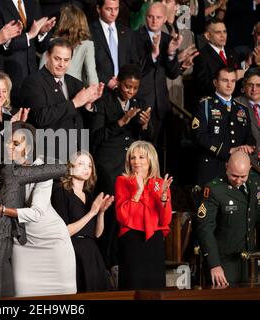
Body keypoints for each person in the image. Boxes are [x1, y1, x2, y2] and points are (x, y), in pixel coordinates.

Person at [0, 121, 76, 297]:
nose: (9, 147)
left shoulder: (42, 169)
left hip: (52, 241)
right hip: (22, 243)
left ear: (29, 147)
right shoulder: (1, 167)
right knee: (24, 296)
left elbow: (36, 213)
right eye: (7, 143)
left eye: (16, 144)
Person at [91, 63, 152, 271]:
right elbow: (96, 137)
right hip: (107, 165)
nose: (131, 92)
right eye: (127, 87)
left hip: (130, 165)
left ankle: (120, 262)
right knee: (109, 216)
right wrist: (122, 121)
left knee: (128, 216)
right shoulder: (103, 101)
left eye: (135, 88)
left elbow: (145, 138)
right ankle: (103, 263)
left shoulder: (140, 102)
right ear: (117, 83)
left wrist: (144, 125)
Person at [20, 38, 104, 160]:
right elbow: (40, 117)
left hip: (77, 155)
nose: (62, 65)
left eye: (66, 60)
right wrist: (75, 103)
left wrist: (88, 104)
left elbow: (83, 122)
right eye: (57, 59)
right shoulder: (33, 82)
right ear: (48, 56)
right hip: (49, 156)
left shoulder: (75, 83)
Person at [195, 151, 260, 287]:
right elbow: (204, 228)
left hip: (250, 263)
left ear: (249, 169)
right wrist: (214, 264)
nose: (238, 180)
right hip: (223, 265)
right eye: (234, 176)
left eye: (243, 176)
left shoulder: (255, 183)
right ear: (226, 167)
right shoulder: (213, 189)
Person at [51, 151, 113, 292]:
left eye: (89, 165)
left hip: (92, 252)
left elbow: (97, 234)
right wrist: (92, 213)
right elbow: (64, 231)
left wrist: (101, 212)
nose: (86, 168)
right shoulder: (60, 192)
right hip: (73, 251)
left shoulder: (89, 196)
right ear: (70, 167)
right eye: (81, 164)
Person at [114, 140, 173, 290]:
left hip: (154, 242)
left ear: (150, 159)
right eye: (132, 158)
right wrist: (138, 190)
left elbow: (165, 220)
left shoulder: (160, 183)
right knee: (132, 287)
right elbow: (123, 217)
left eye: (141, 157)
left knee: (155, 288)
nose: (136, 161)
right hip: (131, 240)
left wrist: (164, 197)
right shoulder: (122, 181)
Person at [191, 66, 256, 187]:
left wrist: (248, 147)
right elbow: (199, 137)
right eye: (225, 80)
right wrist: (228, 150)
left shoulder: (242, 108)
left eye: (233, 81)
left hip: (236, 173)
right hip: (212, 168)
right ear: (215, 82)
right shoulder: (205, 105)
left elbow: (250, 137)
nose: (229, 85)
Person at [0, 0, 55, 104]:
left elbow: (41, 48)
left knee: (30, 117)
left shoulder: (33, 3)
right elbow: (1, 44)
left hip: (32, 76)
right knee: (9, 117)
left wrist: (42, 33)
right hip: (9, 77)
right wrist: (30, 35)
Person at [134, 2, 181, 145]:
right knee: (139, 146)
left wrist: (171, 54)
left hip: (161, 104)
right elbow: (135, 72)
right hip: (140, 102)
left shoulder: (168, 40)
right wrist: (153, 55)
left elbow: (173, 74)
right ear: (145, 17)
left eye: (158, 17)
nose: (154, 21)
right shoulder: (134, 37)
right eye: (150, 16)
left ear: (165, 18)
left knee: (156, 150)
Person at [40, 4, 98, 86]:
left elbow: (42, 69)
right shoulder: (87, 44)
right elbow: (91, 73)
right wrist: (94, 92)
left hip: (52, 88)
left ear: (63, 21)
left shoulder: (52, 41)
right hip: (74, 89)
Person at [193, 18, 247, 100]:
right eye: (218, 32)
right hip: (214, 103)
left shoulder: (231, 53)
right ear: (207, 36)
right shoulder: (201, 55)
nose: (223, 35)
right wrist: (233, 77)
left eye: (224, 31)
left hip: (234, 102)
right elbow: (202, 85)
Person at [90, 0, 139, 92]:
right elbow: (88, 65)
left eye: (116, 9)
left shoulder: (127, 33)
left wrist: (125, 79)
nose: (113, 13)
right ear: (98, 9)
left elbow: (134, 62)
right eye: (109, 9)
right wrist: (107, 81)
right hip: (99, 90)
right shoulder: (89, 32)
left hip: (124, 90)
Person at [234, 68, 260, 165]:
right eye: (250, 85)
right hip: (246, 163)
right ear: (244, 86)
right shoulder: (235, 104)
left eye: (258, 85)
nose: (254, 89)